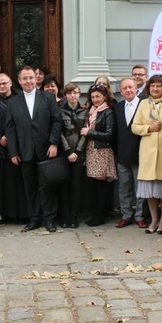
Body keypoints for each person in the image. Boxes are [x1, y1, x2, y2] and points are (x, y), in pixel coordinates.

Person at [6, 66, 63, 233]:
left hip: (46, 149)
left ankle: (49, 219)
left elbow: (57, 121)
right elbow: (10, 129)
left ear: (36, 78)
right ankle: (34, 218)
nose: (28, 81)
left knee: (47, 186)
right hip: (24, 152)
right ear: (19, 81)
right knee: (29, 187)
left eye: (31, 77)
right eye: (25, 78)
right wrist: (14, 152)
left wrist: (53, 143)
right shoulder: (13, 102)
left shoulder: (47, 98)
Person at [0, 73, 28, 223]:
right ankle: (2, 214)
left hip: (18, 147)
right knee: (1, 183)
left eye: (4, 83)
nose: (2, 86)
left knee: (18, 183)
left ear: (11, 83)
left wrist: (14, 139)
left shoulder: (20, 98)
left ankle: (20, 214)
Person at [131, 75, 162, 234]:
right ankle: (154, 219)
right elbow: (135, 127)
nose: (155, 89)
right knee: (150, 190)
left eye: (159, 86)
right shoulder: (143, 103)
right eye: (153, 86)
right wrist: (148, 129)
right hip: (148, 151)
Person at [113, 78, 148, 229]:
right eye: (124, 88)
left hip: (140, 153)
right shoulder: (118, 107)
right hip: (122, 154)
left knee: (140, 188)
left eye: (130, 87)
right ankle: (126, 215)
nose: (128, 90)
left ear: (136, 89)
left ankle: (140, 216)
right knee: (124, 187)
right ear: (121, 91)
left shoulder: (144, 105)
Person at [80, 84, 117, 226]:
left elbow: (109, 135)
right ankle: (97, 213)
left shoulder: (108, 112)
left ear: (105, 97)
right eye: (93, 97)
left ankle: (100, 217)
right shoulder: (90, 110)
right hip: (91, 150)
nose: (95, 99)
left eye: (98, 96)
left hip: (102, 151)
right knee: (94, 185)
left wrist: (89, 132)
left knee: (101, 185)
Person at [58, 83, 87, 228]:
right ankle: (65, 216)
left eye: (75, 92)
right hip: (65, 153)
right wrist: (68, 151)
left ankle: (74, 216)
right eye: (69, 93)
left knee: (76, 185)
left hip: (79, 153)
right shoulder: (61, 111)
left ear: (79, 94)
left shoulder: (84, 112)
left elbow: (85, 133)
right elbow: (60, 132)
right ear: (65, 95)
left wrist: (77, 151)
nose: (72, 96)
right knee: (65, 185)